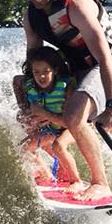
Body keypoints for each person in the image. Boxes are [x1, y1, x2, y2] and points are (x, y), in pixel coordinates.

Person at [13, 0, 112, 202]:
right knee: (22, 87)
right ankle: (57, 165)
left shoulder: (76, 5)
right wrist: (31, 107)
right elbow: (33, 62)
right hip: (76, 68)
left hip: (107, 63)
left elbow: (105, 57)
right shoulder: (31, 17)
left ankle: (100, 183)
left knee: (73, 115)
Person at [20, 47, 81, 189]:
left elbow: (70, 120)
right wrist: (24, 111)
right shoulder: (31, 86)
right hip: (52, 128)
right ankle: (46, 173)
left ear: (55, 71)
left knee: (58, 146)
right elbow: (17, 80)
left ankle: (76, 181)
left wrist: (44, 114)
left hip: (72, 127)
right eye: (36, 72)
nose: (41, 77)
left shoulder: (66, 86)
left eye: (46, 72)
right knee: (25, 148)